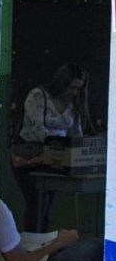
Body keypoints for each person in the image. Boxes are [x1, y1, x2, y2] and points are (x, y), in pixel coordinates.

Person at [12, 63, 90, 231]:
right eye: (71, 87)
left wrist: (80, 152)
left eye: (78, 89)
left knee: (48, 206)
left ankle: (44, 239)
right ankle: (33, 241)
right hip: (32, 155)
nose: (74, 92)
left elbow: (76, 133)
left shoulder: (74, 104)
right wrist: (62, 148)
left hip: (57, 161)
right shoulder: (38, 96)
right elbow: (37, 128)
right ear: (61, 83)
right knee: (36, 202)